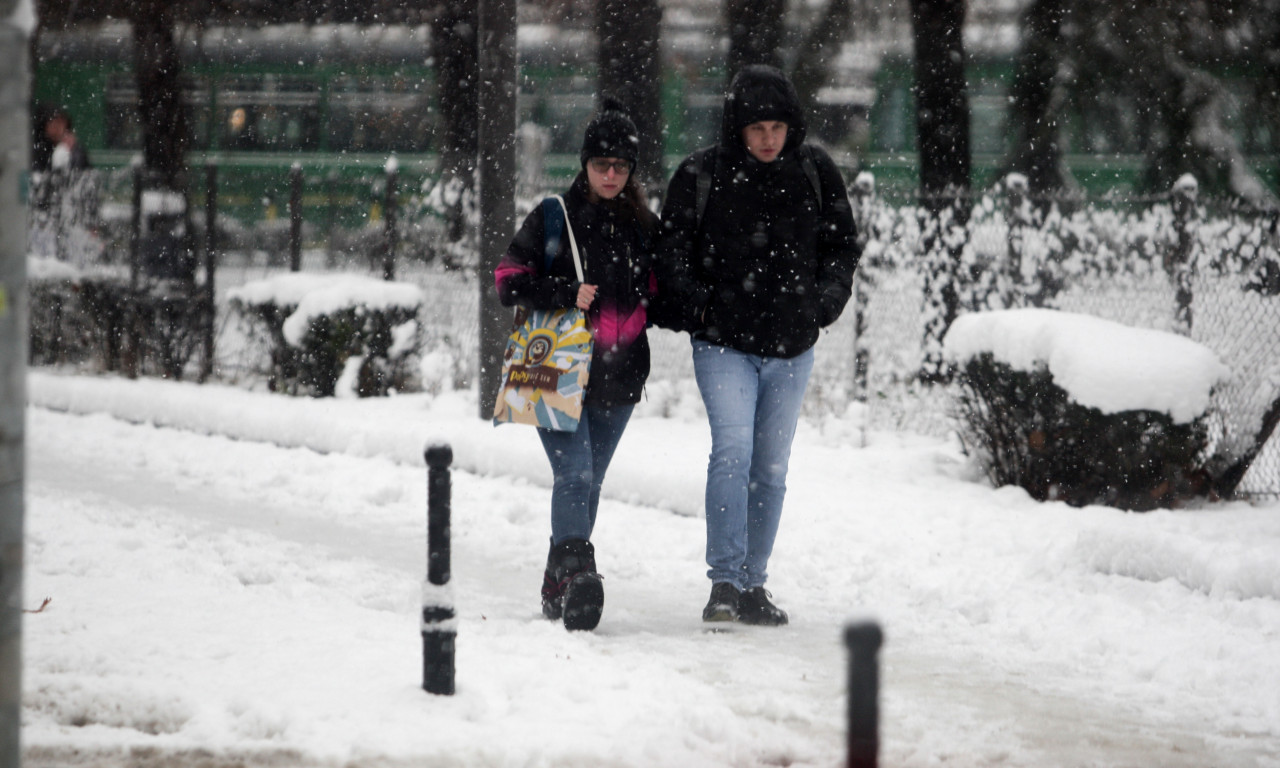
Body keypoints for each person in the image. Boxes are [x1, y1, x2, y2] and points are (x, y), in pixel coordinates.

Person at [655, 65, 861, 626]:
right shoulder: (702, 173)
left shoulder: (816, 172)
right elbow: (670, 251)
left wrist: (824, 304)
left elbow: (842, 248)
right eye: (756, 127)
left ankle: (753, 585)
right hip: (724, 345)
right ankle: (724, 580)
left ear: (791, 125)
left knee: (770, 467)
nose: (767, 138)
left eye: (776, 126)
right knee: (733, 450)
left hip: (793, 348)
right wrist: (701, 306)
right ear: (737, 128)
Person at [494, 98, 659, 631]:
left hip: (621, 376)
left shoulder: (643, 226)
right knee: (576, 473)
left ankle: (555, 582)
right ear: (584, 165)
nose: (610, 175)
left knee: (587, 484)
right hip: (557, 371)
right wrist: (566, 291)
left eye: (621, 167)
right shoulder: (552, 218)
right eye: (600, 165)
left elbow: (663, 291)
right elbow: (506, 280)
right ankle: (576, 574)